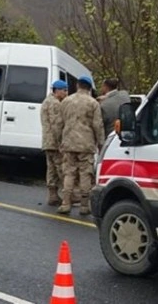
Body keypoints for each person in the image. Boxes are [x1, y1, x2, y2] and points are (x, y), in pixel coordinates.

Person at [56, 76, 105, 215]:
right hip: (86, 144)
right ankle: (84, 205)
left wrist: (60, 140)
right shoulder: (93, 103)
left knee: (69, 173)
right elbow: (97, 125)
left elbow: (59, 124)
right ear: (89, 88)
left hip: (69, 143)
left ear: (77, 85)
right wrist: (101, 143)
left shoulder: (66, 101)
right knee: (85, 174)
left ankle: (66, 203)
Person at [40, 79, 68, 206]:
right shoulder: (55, 104)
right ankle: (67, 195)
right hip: (54, 142)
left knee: (51, 168)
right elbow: (57, 124)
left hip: (47, 141)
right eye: (64, 90)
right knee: (61, 168)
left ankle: (52, 195)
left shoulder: (46, 101)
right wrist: (61, 142)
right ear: (57, 90)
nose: (66, 93)